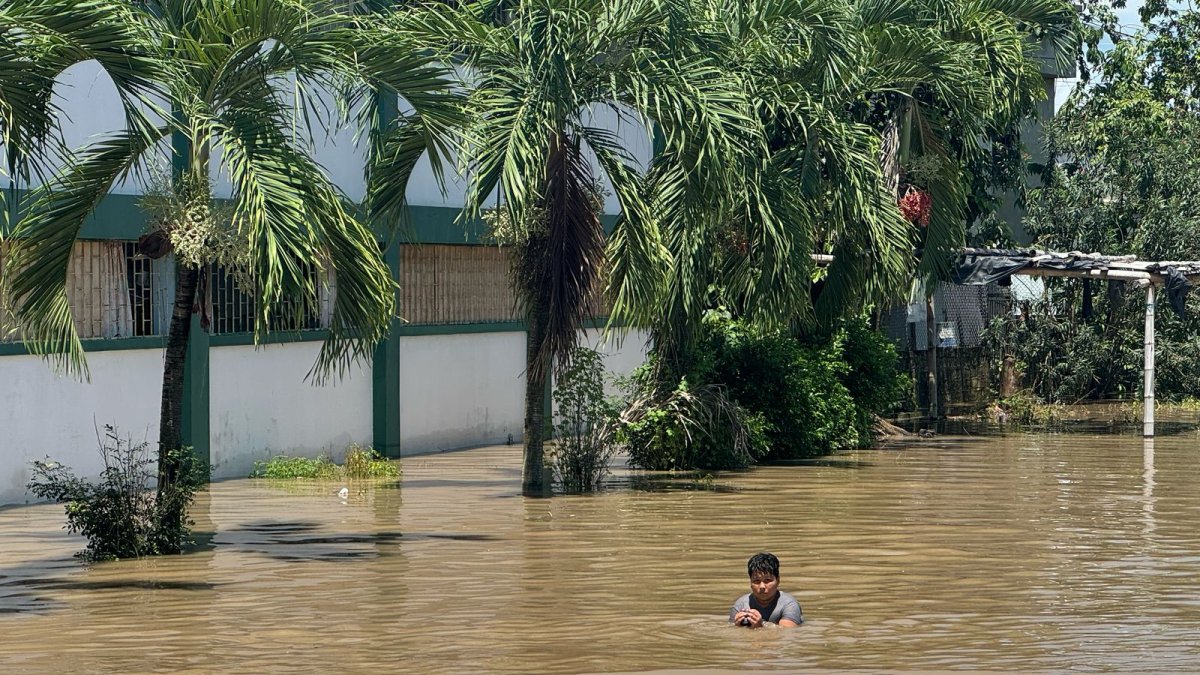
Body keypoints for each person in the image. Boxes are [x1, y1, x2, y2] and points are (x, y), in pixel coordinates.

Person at [729, 552, 802, 628]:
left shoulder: (789, 604)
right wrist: (737, 626)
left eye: (767, 580)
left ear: (778, 580)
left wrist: (760, 626)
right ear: (750, 582)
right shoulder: (741, 605)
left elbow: (787, 633)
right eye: (756, 581)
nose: (762, 586)